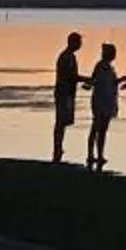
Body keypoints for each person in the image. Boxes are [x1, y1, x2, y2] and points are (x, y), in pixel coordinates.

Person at [85, 44, 123, 172]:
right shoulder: (100, 66)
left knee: (102, 130)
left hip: (106, 102)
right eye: (113, 53)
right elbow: (95, 81)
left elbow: (112, 83)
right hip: (100, 101)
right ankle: (91, 155)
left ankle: (99, 155)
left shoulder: (109, 68)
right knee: (96, 128)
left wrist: (121, 81)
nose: (114, 55)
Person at [50, 32, 84, 163]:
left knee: (63, 122)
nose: (80, 45)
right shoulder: (65, 57)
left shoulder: (71, 57)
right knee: (60, 122)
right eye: (79, 42)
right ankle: (57, 147)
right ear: (72, 42)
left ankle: (58, 147)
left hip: (67, 92)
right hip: (63, 93)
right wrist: (86, 79)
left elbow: (73, 76)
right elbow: (71, 76)